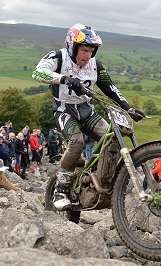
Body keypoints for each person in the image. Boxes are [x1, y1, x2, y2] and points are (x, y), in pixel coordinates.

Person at [32, 23, 145, 210]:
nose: (88, 55)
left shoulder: (95, 65)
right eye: (84, 50)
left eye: (92, 50)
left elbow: (110, 88)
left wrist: (129, 109)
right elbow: (38, 72)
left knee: (112, 139)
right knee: (77, 143)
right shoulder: (58, 57)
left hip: (87, 111)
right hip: (64, 110)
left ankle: (100, 178)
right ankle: (60, 189)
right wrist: (64, 79)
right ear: (73, 46)